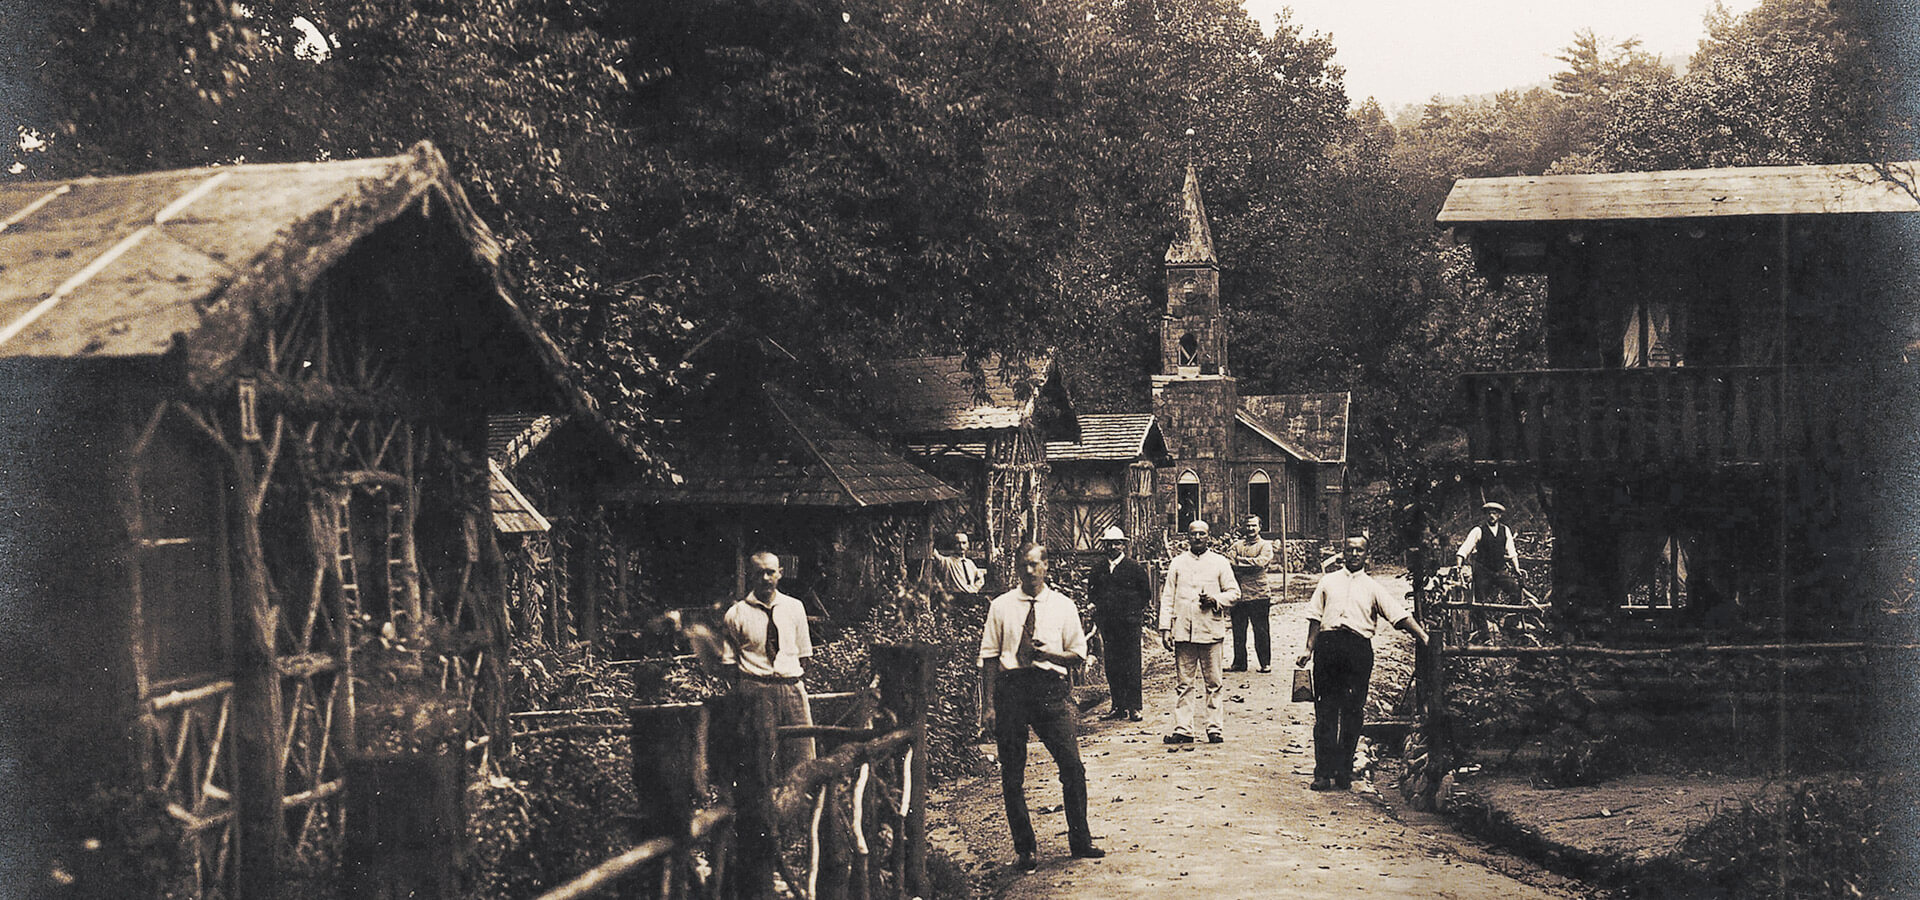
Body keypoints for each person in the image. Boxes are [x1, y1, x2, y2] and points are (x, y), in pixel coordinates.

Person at [978, 543, 1106, 872]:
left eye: (1035, 564)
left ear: (1046, 566)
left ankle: (1080, 840)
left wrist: (1049, 654)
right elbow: (990, 658)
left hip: (1050, 690)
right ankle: (1025, 849)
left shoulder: (1063, 606)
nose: (1030, 572)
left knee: (1073, 767)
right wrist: (988, 707)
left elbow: (1077, 654)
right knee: (1012, 774)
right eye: (1024, 565)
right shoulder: (1001, 606)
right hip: (1012, 691)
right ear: (1017, 568)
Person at [1295, 536, 1430, 791]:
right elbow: (1314, 617)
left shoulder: (1372, 587)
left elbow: (1397, 615)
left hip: (1357, 650)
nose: (1354, 554)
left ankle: (1344, 771)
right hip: (1328, 647)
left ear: (1367, 555)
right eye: (1350, 549)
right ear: (1342, 553)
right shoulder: (1328, 581)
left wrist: (1422, 636)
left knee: (1353, 712)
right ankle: (1323, 772)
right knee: (1325, 712)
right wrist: (1308, 648)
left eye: (1359, 550)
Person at [720, 551, 816, 775]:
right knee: (760, 763)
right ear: (749, 575)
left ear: (780, 574)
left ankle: (802, 808)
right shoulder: (736, 614)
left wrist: (788, 681)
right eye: (759, 573)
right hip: (756, 692)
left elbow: (804, 655)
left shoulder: (795, 607)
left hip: (792, 691)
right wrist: (750, 692)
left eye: (770, 572)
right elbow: (728, 665)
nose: (765, 578)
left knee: (803, 760)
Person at [1157, 520, 1239, 744]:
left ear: (1208, 536)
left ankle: (1214, 728)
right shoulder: (1177, 563)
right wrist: (1165, 628)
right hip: (1183, 631)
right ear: (1188, 536)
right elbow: (1167, 597)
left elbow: (1234, 592)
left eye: (1202, 534)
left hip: (1210, 629)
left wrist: (1216, 600)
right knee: (1184, 683)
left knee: (1214, 683)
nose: (1198, 537)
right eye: (1193, 534)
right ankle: (1183, 729)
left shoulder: (1220, 563)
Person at [1087, 525, 1152, 721]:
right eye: (1108, 544)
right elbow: (1093, 593)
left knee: (1131, 663)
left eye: (1117, 543)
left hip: (1129, 624)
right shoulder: (1098, 568)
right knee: (1112, 664)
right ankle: (1118, 706)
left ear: (1123, 546)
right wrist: (1098, 611)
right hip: (1108, 624)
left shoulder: (1134, 568)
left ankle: (1134, 707)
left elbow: (1145, 595)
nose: (1113, 547)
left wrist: (1133, 614)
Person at [1224, 515, 1276, 673]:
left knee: (1261, 630)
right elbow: (1228, 562)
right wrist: (1247, 562)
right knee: (1238, 631)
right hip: (1238, 594)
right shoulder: (1236, 545)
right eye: (1248, 526)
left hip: (1259, 594)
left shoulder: (1265, 546)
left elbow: (1261, 563)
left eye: (1254, 526)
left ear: (1260, 527)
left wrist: (1239, 562)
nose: (1251, 529)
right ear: (1243, 527)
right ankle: (1239, 663)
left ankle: (1265, 663)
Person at [1456, 501, 1524, 605]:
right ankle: (1481, 621)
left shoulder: (1505, 530)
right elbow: (1464, 549)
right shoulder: (1478, 530)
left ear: (1499, 515)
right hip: (1483, 572)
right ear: (1485, 515)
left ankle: (1511, 620)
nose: (1492, 516)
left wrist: (1517, 568)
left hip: (1499, 570)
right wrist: (1459, 565)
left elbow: (1512, 552)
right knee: (1480, 602)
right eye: (1489, 513)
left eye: (1495, 513)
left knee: (1515, 590)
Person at [927, 530, 986, 598]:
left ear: (968, 545)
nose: (961, 546)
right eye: (957, 543)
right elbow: (934, 552)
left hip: (971, 597)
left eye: (964, 543)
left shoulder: (970, 563)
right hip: (955, 597)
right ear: (952, 545)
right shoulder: (947, 561)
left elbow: (980, 578)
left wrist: (974, 589)